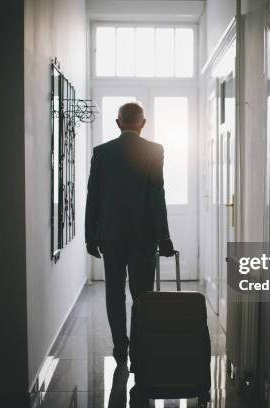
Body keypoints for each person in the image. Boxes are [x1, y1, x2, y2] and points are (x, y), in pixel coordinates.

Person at [85, 102, 175, 367]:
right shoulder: (153, 151)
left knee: (114, 292)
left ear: (118, 122)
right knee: (142, 294)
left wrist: (91, 234)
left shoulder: (102, 153)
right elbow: (156, 194)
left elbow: (94, 196)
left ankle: (120, 347)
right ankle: (138, 347)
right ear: (142, 123)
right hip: (144, 236)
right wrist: (164, 236)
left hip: (110, 236)